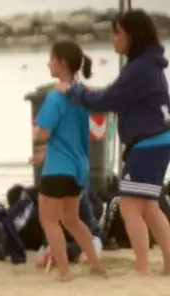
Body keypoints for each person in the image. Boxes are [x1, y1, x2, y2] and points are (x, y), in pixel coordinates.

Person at [59, 9, 170, 276]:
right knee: (150, 207)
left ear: (132, 36)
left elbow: (108, 101)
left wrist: (74, 91)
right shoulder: (146, 65)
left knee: (131, 207)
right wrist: (89, 91)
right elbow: (117, 94)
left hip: (148, 143)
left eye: (116, 32)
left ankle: (142, 269)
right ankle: (167, 263)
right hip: (157, 141)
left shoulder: (140, 68)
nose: (112, 38)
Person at [32, 40, 103, 281]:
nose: (48, 63)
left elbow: (42, 133)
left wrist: (39, 137)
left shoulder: (55, 97)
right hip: (78, 166)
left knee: (49, 220)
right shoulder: (81, 95)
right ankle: (95, 264)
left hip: (57, 168)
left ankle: (64, 271)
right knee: (72, 220)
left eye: (51, 59)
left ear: (61, 63)